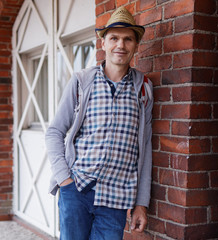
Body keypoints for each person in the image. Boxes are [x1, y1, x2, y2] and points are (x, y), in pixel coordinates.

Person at [45, 6, 153, 240]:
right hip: (77, 190)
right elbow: (54, 132)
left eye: (128, 39)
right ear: (103, 43)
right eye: (113, 38)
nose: (120, 45)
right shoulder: (82, 81)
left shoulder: (143, 88)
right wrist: (65, 180)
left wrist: (141, 203)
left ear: (136, 45)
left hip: (116, 199)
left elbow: (145, 147)